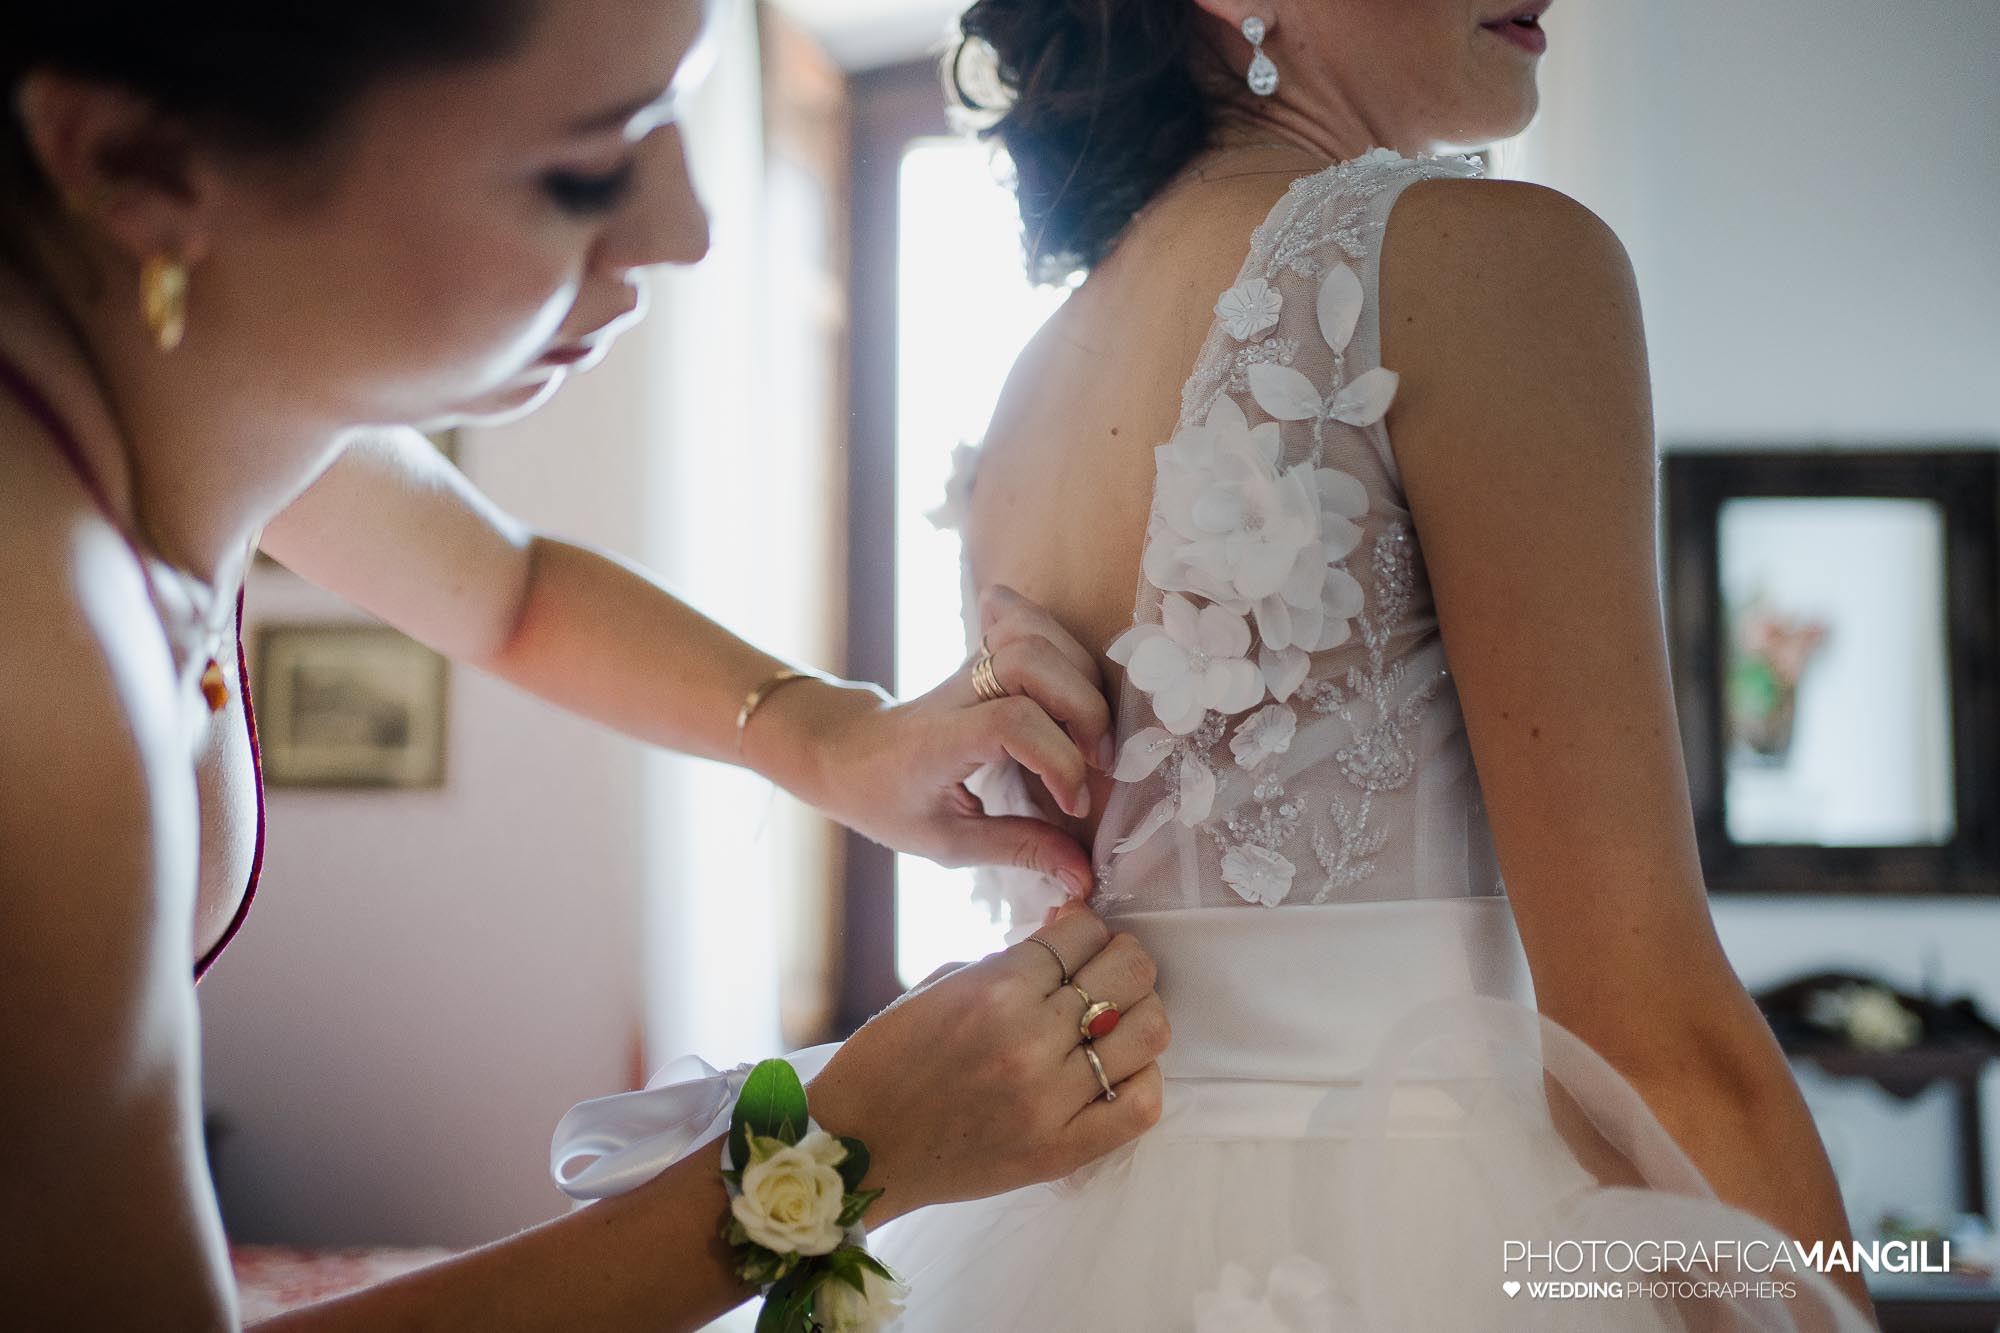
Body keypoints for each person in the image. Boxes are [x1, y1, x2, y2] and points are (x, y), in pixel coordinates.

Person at [0, 1, 1169, 1328]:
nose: (687, 228)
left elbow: (509, 592)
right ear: (139, 164)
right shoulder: (37, 663)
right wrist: (834, 1162)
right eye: (585, 169)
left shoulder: (203, 373)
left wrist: (834, 735)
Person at [849, 0, 1887, 1328]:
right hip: (1425, 1240)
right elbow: (1654, 1040)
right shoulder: (1488, 263)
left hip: (1067, 1255)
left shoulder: (1032, 385)